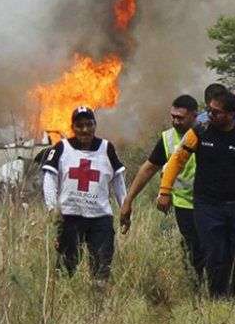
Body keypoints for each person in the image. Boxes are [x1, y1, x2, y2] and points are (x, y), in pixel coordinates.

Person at [158, 88, 235, 300]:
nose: (211, 115)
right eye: (210, 110)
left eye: (216, 112)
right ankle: (218, 298)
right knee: (216, 254)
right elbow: (176, 161)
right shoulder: (199, 132)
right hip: (207, 205)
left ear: (231, 115)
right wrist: (165, 191)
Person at [118, 95, 204, 280]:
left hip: (209, 202)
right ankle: (197, 287)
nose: (175, 121)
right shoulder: (168, 138)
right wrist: (129, 200)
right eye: (173, 116)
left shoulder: (207, 134)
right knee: (193, 247)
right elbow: (148, 169)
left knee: (212, 246)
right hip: (184, 203)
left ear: (194, 116)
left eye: (180, 117)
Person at [42, 106, 127, 280]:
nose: (85, 130)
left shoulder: (106, 148)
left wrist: (125, 207)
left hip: (100, 217)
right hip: (70, 217)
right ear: (73, 127)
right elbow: (49, 178)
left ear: (95, 125)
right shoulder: (61, 148)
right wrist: (52, 208)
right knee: (66, 267)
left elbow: (118, 180)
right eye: (80, 125)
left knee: (102, 265)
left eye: (89, 124)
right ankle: (64, 302)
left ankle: (98, 302)